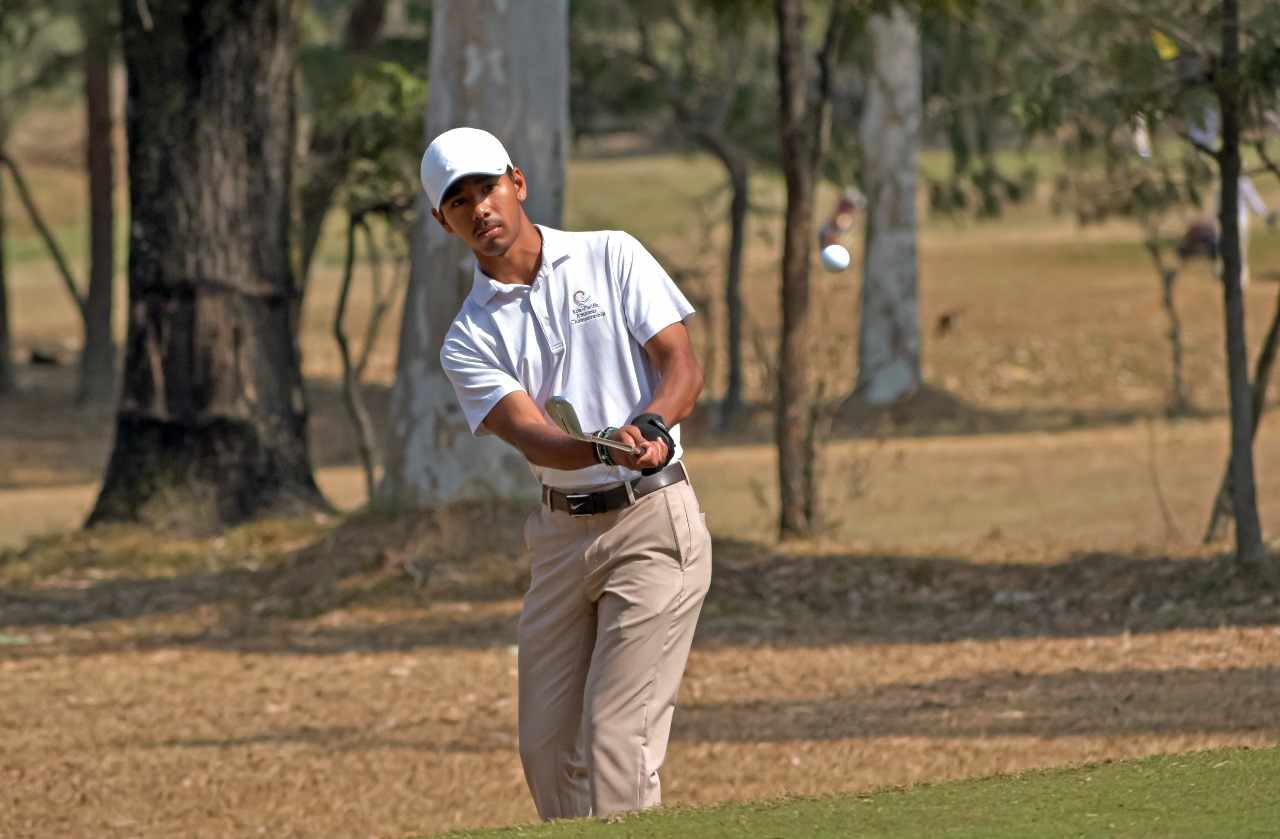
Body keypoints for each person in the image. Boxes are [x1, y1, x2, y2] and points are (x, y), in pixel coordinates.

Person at [421, 126, 712, 820]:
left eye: (487, 187)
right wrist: (602, 448)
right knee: (548, 750)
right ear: (443, 220)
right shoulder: (468, 337)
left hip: (652, 520)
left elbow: (681, 364)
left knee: (617, 738)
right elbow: (534, 436)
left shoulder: (610, 253)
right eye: (459, 201)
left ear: (517, 182)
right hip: (559, 538)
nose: (479, 208)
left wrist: (648, 428)